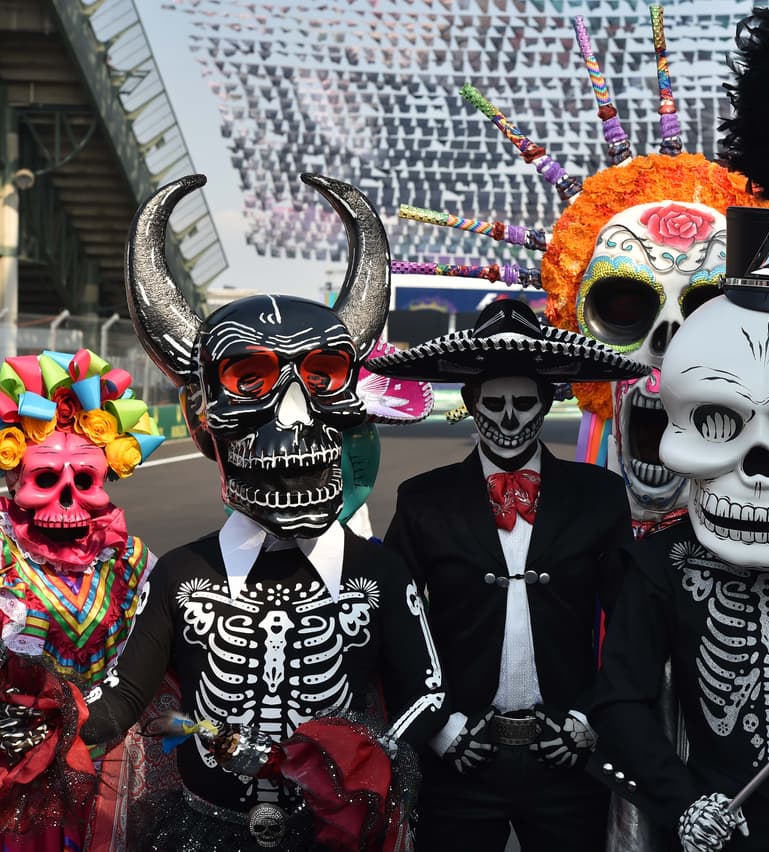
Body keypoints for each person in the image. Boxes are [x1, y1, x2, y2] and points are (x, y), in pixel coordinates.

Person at [27, 171, 453, 851]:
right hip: (203, 829)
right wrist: (46, 721)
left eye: (319, 381)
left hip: (335, 835)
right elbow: (124, 696)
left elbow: (426, 693)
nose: (295, 420)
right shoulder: (182, 573)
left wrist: (369, 754)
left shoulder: (379, 573)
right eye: (249, 382)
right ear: (208, 421)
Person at [375, 298, 648, 852]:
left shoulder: (598, 496)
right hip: (459, 762)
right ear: (470, 402)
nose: (507, 420)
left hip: (567, 759)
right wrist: (440, 726)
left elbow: (631, 622)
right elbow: (395, 625)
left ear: (546, 403)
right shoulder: (424, 500)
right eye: (493, 403)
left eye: (523, 403)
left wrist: (590, 717)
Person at [0, 349, 165, 850]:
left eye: (86, 480)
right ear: (13, 478)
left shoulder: (132, 560)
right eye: (46, 479)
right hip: (16, 775)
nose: (69, 498)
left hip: (113, 767)